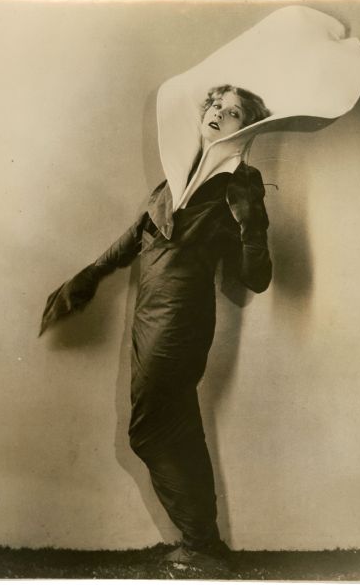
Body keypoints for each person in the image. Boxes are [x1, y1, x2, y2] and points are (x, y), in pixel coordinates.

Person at [40, 84, 273, 571]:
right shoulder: (177, 172)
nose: (219, 112)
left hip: (180, 319)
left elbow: (257, 277)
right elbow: (137, 233)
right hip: (149, 315)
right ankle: (205, 546)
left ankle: (201, 544)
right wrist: (89, 276)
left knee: (150, 431)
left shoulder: (242, 183)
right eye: (216, 104)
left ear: (246, 128)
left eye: (233, 112)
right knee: (178, 427)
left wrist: (251, 225)